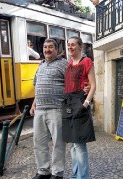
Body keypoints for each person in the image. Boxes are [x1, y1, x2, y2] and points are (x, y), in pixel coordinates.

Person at [30, 38, 67, 179]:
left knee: (58, 143)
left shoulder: (64, 64)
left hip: (56, 109)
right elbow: (37, 87)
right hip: (40, 110)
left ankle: (57, 173)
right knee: (39, 142)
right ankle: (43, 171)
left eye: (51, 47)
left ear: (56, 49)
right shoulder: (41, 66)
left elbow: (73, 82)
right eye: (45, 47)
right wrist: (34, 104)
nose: (47, 50)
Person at [63, 36, 96, 179]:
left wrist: (86, 103)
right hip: (69, 104)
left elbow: (93, 85)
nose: (70, 47)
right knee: (72, 144)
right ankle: (76, 175)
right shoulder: (69, 63)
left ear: (80, 47)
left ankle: (83, 177)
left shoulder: (87, 61)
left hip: (80, 104)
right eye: (68, 45)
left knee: (80, 144)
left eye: (73, 45)